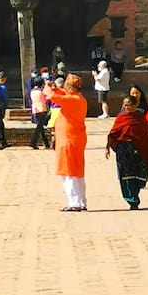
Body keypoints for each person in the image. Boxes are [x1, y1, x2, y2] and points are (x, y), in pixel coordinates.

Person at [105, 95, 148, 209]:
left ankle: (135, 195)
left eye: (129, 105)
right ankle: (132, 200)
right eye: (125, 105)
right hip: (123, 149)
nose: (126, 107)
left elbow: (145, 134)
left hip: (139, 149)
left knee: (138, 173)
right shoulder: (121, 117)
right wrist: (108, 146)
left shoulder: (140, 117)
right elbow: (114, 132)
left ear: (135, 105)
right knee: (125, 174)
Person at [47, 75, 88, 211]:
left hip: (68, 140)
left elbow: (52, 97)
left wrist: (47, 86)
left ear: (70, 87)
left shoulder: (72, 100)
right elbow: (61, 94)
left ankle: (74, 202)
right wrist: (56, 88)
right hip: (75, 138)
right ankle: (81, 201)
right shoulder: (79, 99)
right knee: (77, 172)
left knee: (68, 171)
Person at [29, 77, 50, 149]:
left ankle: (46, 143)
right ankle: (33, 142)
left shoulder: (32, 91)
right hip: (42, 110)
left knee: (40, 128)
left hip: (35, 110)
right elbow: (47, 99)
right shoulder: (41, 92)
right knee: (39, 128)